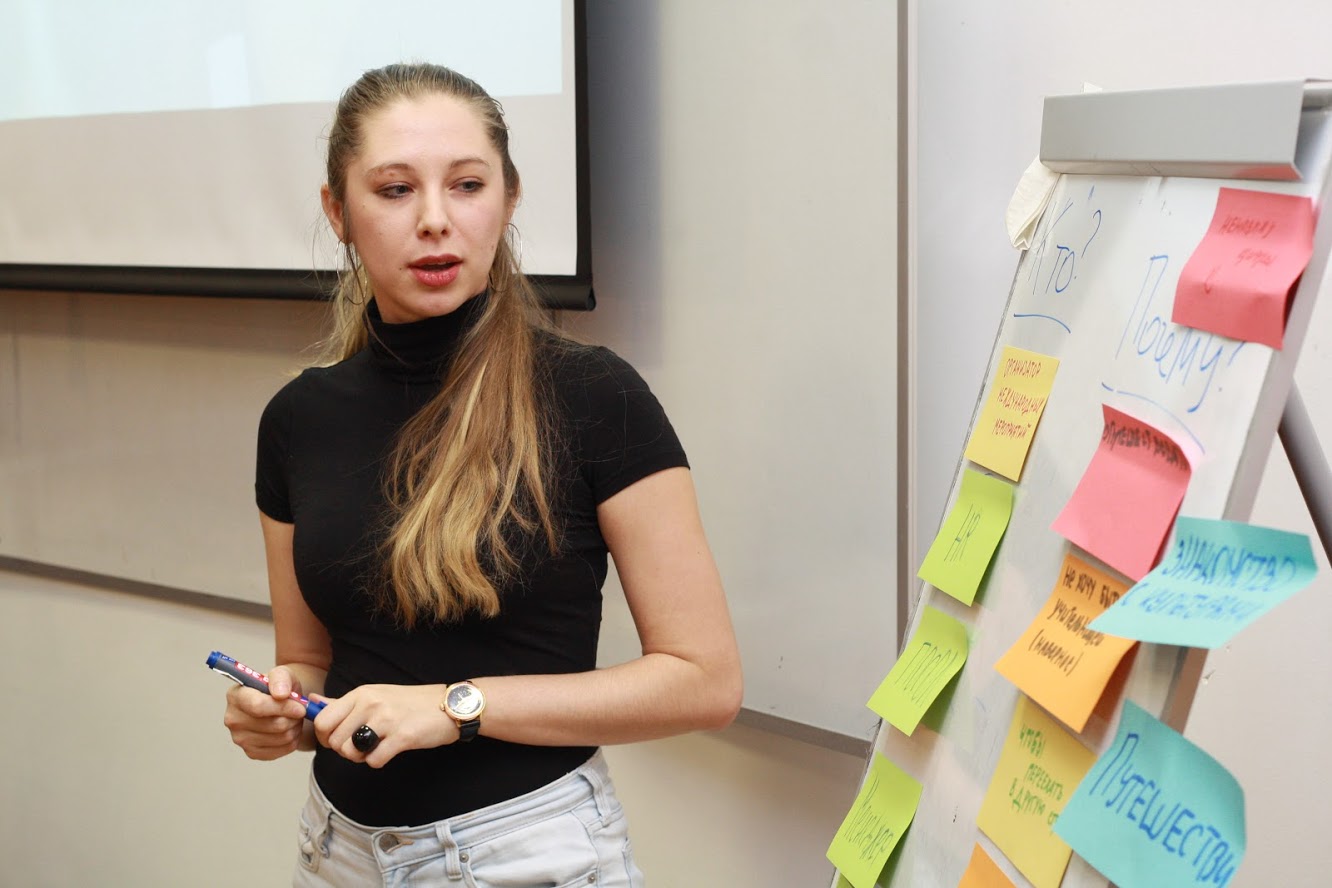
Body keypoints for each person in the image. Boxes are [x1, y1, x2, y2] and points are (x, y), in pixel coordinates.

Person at [221, 62, 743, 887]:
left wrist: (453, 706)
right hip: (337, 852)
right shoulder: (297, 417)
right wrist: (281, 708)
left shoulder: (593, 395)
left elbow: (704, 681)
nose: (435, 220)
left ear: (508, 197)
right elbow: (310, 660)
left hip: (524, 854)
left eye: (467, 185)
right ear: (338, 212)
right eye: (395, 190)